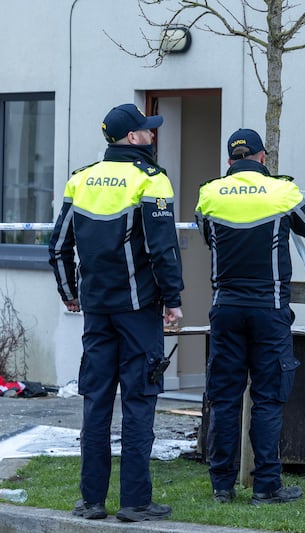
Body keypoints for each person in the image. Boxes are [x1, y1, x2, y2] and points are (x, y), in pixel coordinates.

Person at [48, 103, 184, 523]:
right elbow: (163, 249)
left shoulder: (81, 179)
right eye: (147, 130)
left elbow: (58, 247)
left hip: (96, 310)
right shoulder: (151, 179)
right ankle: (135, 502)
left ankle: (91, 501)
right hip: (139, 311)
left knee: (97, 402)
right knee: (140, 401)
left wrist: (70, 294)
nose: (152, 135)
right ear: (131, 138)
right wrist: (173, 299)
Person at [195, 128, 305, 505]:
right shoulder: (282, 190)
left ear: (229, 161)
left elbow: (207, 236)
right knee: (267, 398)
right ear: (263, 157)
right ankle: (266, 486)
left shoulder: (209, 192)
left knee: (225, 398)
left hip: (226, 308)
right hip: (269, 310)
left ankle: (222, 486)